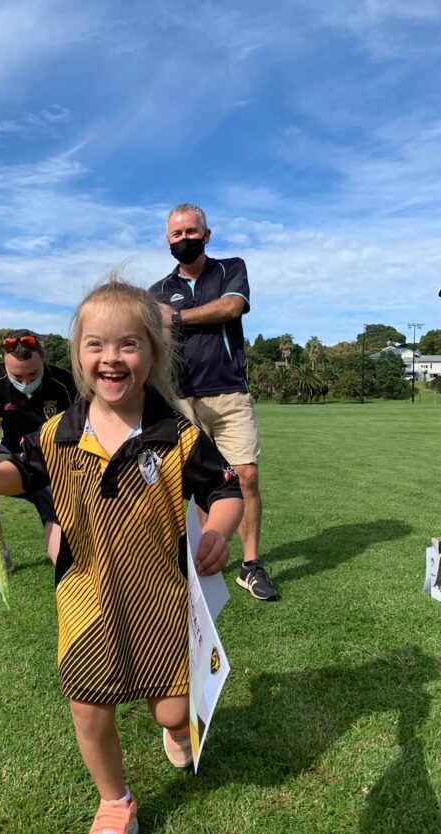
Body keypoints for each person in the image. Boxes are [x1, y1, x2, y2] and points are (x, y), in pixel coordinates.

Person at [0, 279, 244, 834]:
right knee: (88, 706)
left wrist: (217, 529)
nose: (111, 357)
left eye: (128, 344)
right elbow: (20, 474)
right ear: (78, 355)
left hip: (162, 600)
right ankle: (114, 803)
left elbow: (227, 488)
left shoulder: (179, 434)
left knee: (173, 711)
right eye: (96, 345)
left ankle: (176, 731)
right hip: (86, 595)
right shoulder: (57, 431)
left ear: (153, 354)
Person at [150, 203, 279, 601]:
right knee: (198, 484)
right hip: (180, 398)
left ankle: (250, 564)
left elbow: (230, 307)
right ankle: (209, 558)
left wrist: (175, 317)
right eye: (177, 234)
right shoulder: (156, 291)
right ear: (167, 241)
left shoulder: (230, 269)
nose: (184, 239)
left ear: (206, 235)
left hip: (229, 391)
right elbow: (158, 339)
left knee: (246, 475)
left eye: (191, 232)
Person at [0, 329, 76, 584]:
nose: (26, 383)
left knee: (62, 557)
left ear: (44, 359)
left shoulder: (66, 383)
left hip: (52, 463)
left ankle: (75, 548)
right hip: (11, 458)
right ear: (2, 361)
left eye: (33, 374)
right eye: (17, 376)